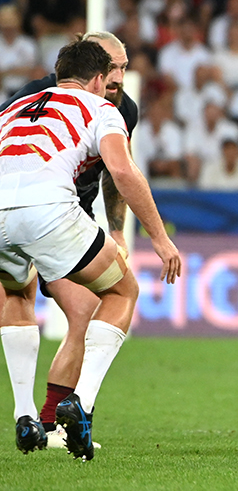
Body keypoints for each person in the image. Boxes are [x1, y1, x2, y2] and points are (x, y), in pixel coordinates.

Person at [0, 40, 180, 461]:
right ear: (98, 79)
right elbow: (122, 171)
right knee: (121, 291)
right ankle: (79, 403)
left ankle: (25, 416)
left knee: (16, 292)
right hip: (49, 211)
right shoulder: (100, 108)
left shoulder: (13, 108)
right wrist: (158, 237)